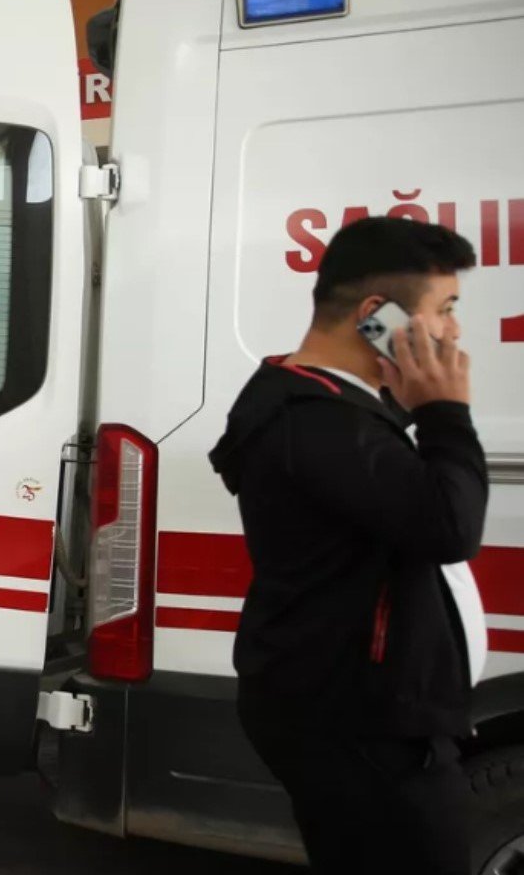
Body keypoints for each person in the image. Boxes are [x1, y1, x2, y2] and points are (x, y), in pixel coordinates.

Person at [209, 217, 486, 875]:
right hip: (359, 724)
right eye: (445, 309)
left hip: (354, 710)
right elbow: (449, 527)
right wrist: (447, 413)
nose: (454, 330)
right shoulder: (317, 421)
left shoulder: (331, 403)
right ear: (376, 315)